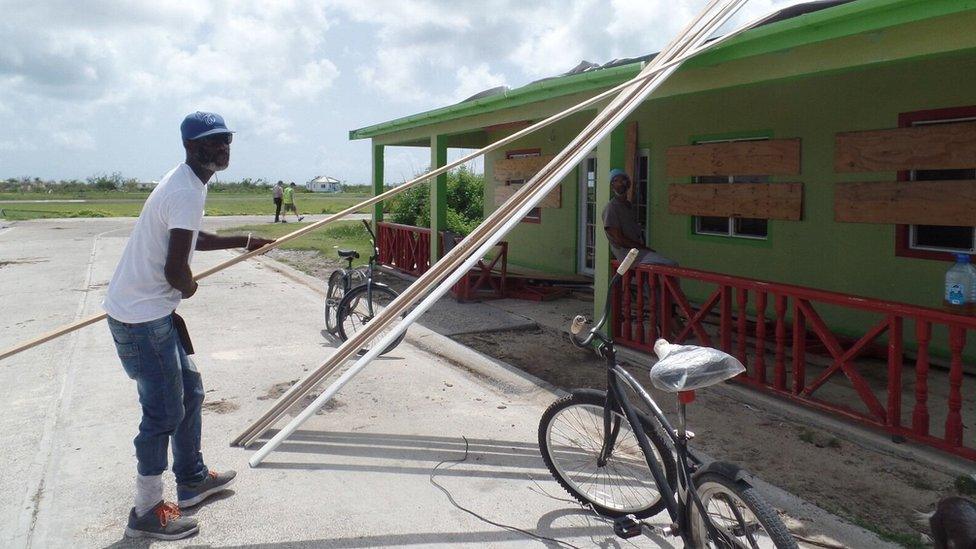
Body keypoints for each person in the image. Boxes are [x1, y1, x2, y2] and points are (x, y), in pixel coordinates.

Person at [102, 111, 274, 540]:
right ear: (191, 147)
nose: (223, 148)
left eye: (226, 140)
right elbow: (176, 270)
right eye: (213, 142)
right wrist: (189, 287)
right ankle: (146, 511)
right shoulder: (185, 191)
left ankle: (193, 479)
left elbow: (190, 237)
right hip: (141, 318)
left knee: (191, 391)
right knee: (162, 412)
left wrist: (246, 240)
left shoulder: (186, 184)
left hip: (150, 312)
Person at [602, 168, 677, 267]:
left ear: (628, 184)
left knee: (652, 277)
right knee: (671, 265)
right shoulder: (611, 208)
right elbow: (619, 238)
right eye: (616, 181)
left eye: (622, 180)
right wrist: (642, 248)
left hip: (637, 252)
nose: (620, 183)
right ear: (612, 186)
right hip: (628, 255)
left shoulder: (628, 206)